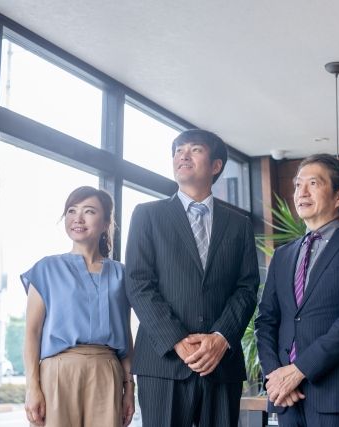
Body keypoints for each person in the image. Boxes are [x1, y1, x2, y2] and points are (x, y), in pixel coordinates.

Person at [125, 129, 259, 427]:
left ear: (216, 166)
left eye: (195, 149)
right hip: (163, 362)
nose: (183, 155)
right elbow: (138, 282)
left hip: (220, 363)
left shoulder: (239, 225)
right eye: (178, 150)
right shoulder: (147, 215)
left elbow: (247, 288)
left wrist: (221, 338)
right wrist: (176, 340)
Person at [256, 154, 339, 427]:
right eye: (298, 184)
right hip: (286, 397)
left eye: (313, 183)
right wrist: (276, 376)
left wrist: (299, 370)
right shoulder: (282, 255)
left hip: (333, 395)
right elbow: (265, 321)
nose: (302, 192)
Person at [22, 186, 134, 427]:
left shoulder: (122, 274)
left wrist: (130, 389)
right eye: (72, 211)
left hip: (107, 373)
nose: (78, 218)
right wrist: (32, 387)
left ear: (106, 223)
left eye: (89, 211)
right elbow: (32, 333)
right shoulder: (46, 269)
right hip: (57, 373)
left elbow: (126, 336)